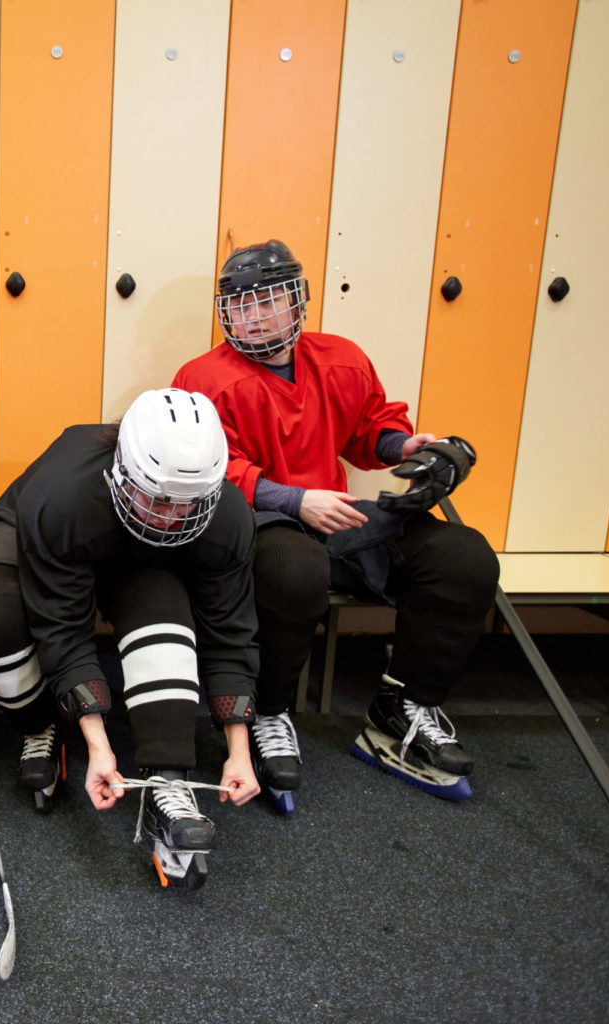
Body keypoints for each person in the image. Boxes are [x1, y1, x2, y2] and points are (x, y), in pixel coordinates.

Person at [174, 239, 498, 806]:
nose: (254, 316)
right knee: (296, 568)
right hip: (262, 522)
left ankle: (402, 709)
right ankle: (267, 711)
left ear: (296, 302)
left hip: (335, 515)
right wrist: (295, 501)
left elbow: (370, 429)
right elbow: (211, 471)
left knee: (464, 556)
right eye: (242, 304)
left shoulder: (341, 358)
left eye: (268, 301)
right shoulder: (203, 377)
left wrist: (407, 447)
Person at [0, 389, 260, 889]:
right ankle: (39, 727)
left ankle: (169, 778)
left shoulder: (224, 514)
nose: (171, 517)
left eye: (188, 504)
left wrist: (238, 748)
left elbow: (231, 632)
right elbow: (64, 626)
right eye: (159, 500)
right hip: (44, 532)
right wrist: (97, 741)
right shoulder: (61, 495)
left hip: (137, 559)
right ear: (126, 474)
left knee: (161, 600)